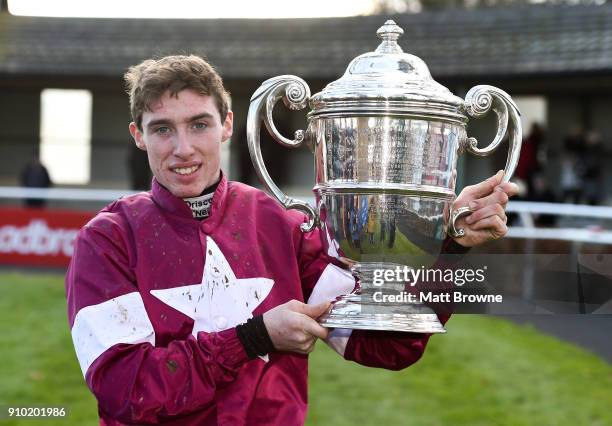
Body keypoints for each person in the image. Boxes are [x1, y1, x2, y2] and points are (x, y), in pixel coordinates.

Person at [65, 55, 518, 425]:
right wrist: (253, 337)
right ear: (138, 137)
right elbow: (125, 390)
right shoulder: (107, 239)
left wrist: (451, 248)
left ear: (226, 125)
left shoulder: (277, 223)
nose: (182, 147)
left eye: (198, 125)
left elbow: (386, 344)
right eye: (162, 128)